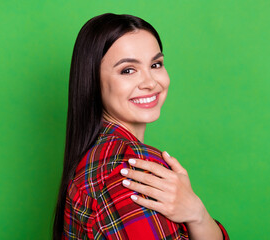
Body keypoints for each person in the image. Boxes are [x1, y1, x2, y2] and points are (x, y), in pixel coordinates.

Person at [53, 13, 229, 240]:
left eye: (156, 64)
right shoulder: (132, 169)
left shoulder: (98, 157)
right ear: (92, 81)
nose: (150, 82)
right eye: (128, 70)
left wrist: (197, 213)